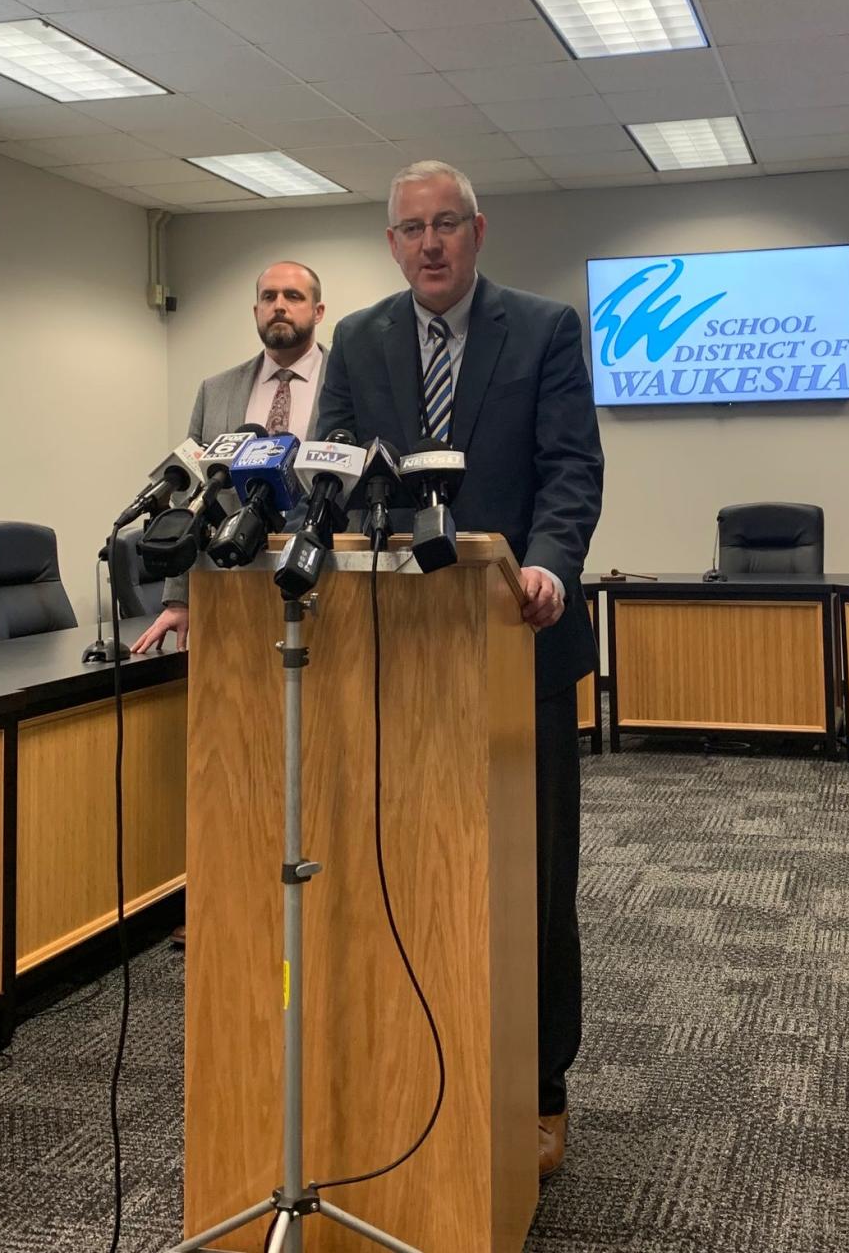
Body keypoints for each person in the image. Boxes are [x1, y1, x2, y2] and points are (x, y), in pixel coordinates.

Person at [314, 160, 603, 1180]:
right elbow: (333, 478)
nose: (429, 244)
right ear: (391, 244)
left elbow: (573, 469)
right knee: (412, 870)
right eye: (410, 229)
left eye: (446, 225)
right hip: (395, 653)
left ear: (477, 233)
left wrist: (547, 566)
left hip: (521, 638)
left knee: (532, 879)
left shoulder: (547, 328)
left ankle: (541, 1087)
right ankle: (421, 1064)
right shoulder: (355, 340)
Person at [131, 259, 328, 659]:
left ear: (318, 311)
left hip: (327, 586)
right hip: (232, 589)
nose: (279, 306)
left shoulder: (347, 384)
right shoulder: (216, 391)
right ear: (256, 311)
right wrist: (178, 599)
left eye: (293, 296)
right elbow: (192, 500)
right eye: (268, 297)